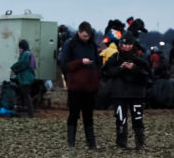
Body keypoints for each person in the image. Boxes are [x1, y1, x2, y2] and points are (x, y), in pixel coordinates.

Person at [101, 32, 150, 150]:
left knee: (137, 118)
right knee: (120, 119)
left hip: (136, 93)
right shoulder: (115, 58)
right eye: (125, 44)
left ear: (133, 45)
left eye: (129, 44)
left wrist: (133, 68)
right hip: (119, 93)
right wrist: (120, 68)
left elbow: (147, 74)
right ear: (120, 45)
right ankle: (121, 144)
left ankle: (140, 144)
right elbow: (106, 72)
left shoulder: (140, 59)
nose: (127, 47)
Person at [60, 20, 101, 150]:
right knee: (73, 115)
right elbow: (64, 65)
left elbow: (98, 64)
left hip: (90, 88)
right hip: (75, 88)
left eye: (88, 36)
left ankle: (91, 143)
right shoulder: (70, 45)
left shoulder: (93, 45)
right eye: (84, 36)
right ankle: (71, 143)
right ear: (79, 33)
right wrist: (80, 62)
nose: (86, 38)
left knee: (89, 116)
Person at [10, 39, 35, 112]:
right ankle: (23, 110)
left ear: (22, 47)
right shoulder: (29, 53)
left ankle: (30, 112)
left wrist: (13, 68)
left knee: (25, 95)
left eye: (20, 48)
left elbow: (22, 64)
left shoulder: (26, 54)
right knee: (23, 94)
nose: (19, 49)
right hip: (27, 77)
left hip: (25, 78)